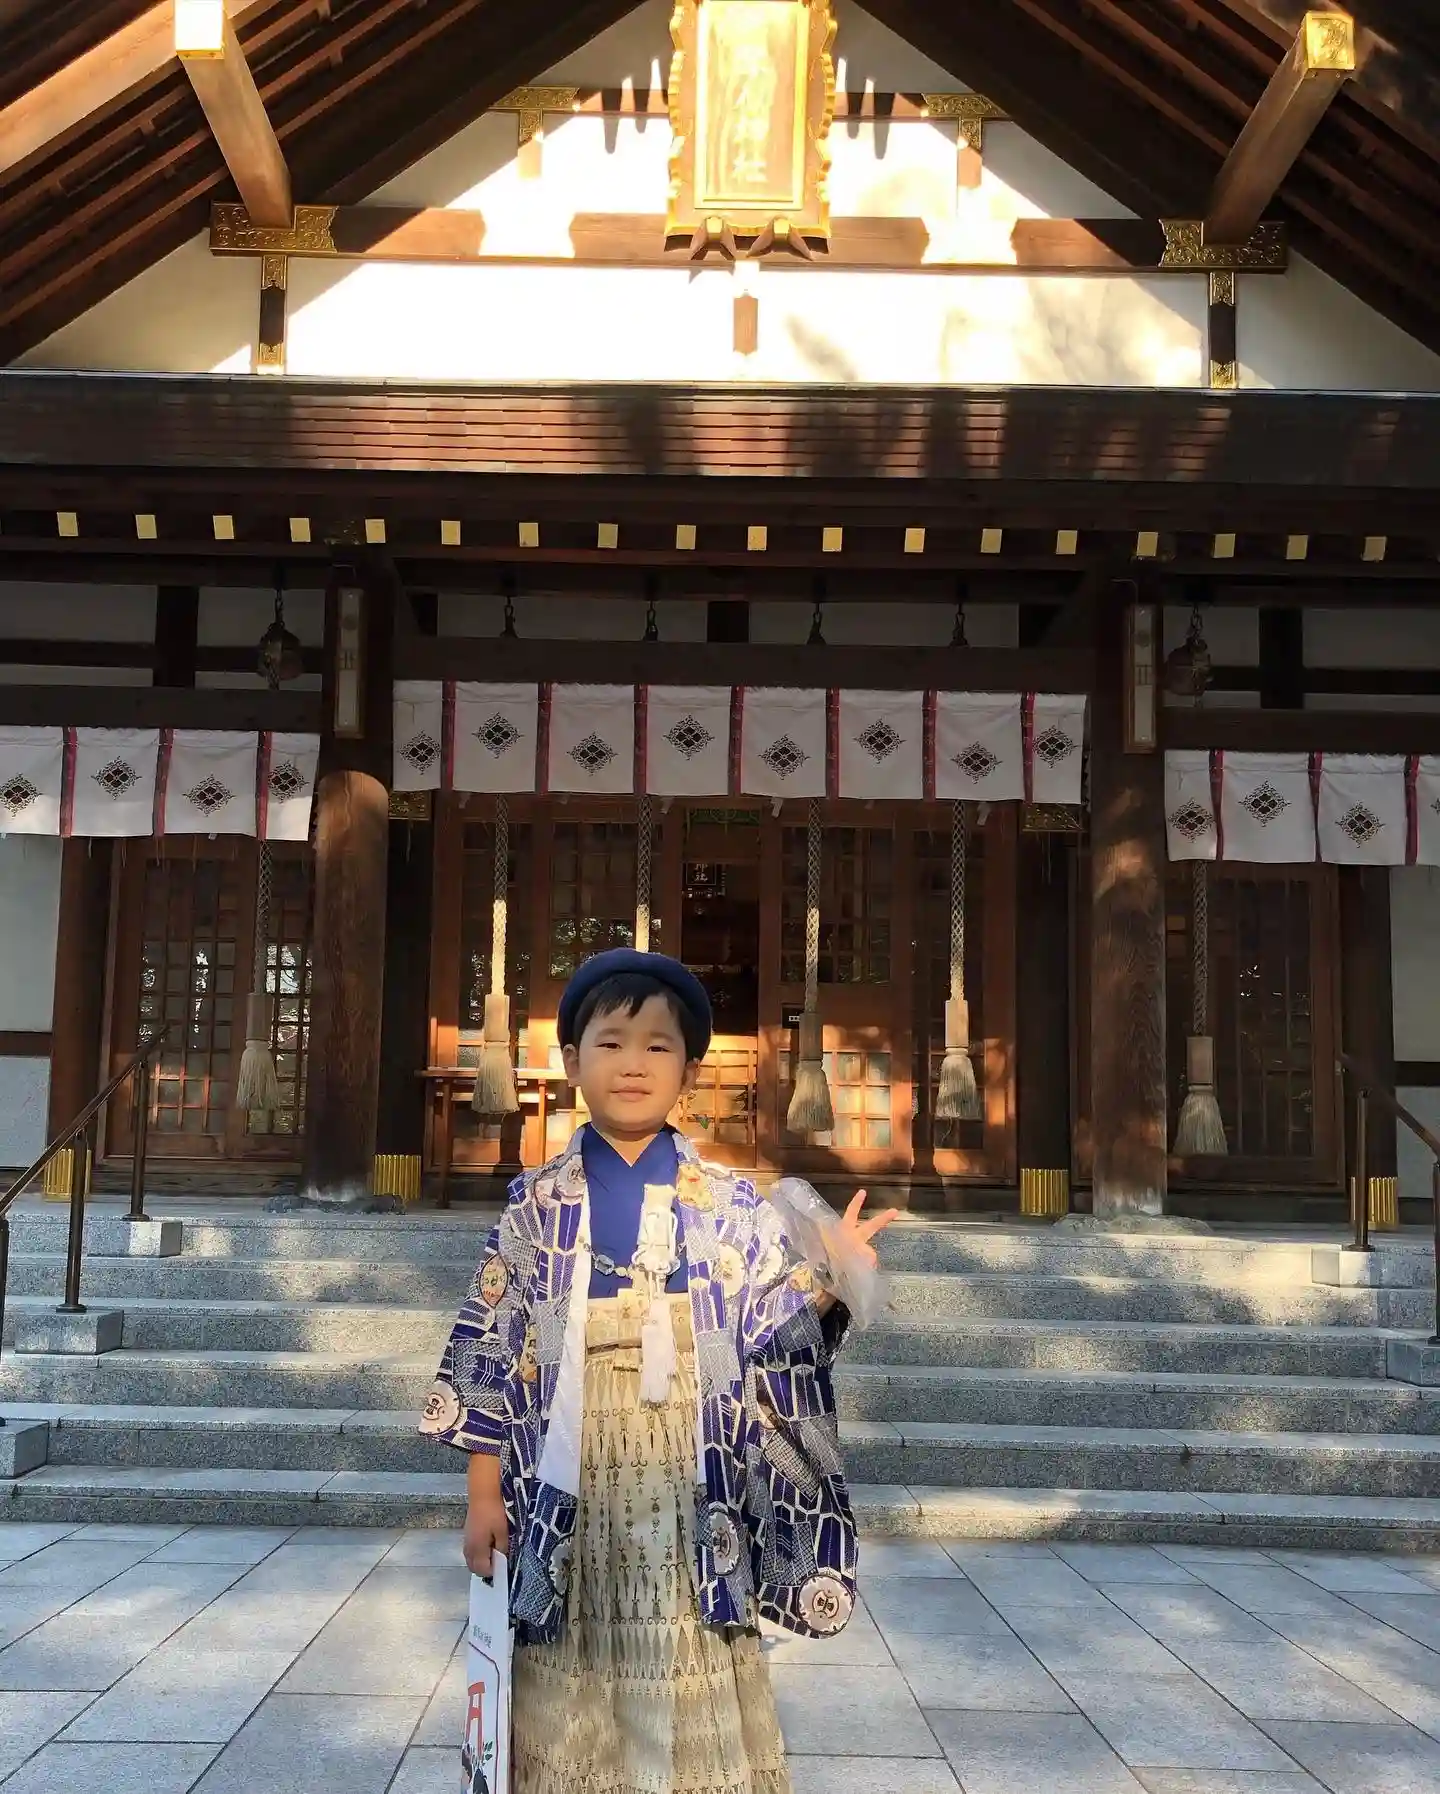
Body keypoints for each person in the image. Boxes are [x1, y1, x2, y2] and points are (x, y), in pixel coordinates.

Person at [421, 947, 897, 1794]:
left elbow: (772, 1340)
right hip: (572, 1461)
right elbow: (490, 1350)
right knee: (570, 1636)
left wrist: (833, 1278)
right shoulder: (536, 1203)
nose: (633, 1063)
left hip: (692, 1463)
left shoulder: (732, 1204)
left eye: (657, 1045)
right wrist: (483, 1494)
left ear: (689, 1070)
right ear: (573, 1062)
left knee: (688, 1635)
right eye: (610, 1043)